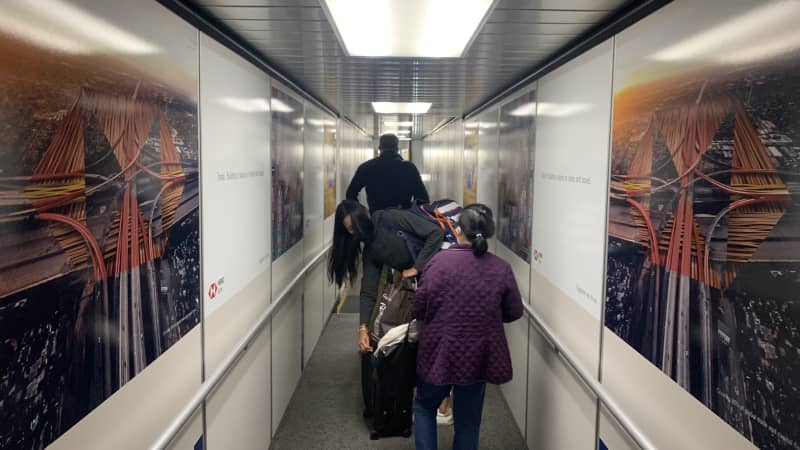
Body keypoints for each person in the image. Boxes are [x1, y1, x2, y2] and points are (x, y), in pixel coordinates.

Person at [412, 204, 523, 450]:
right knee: (468, 422)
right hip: (477, 356)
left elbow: (419, 307)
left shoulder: (438, 262)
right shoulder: (501, 268)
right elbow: (514, 311)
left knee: (424, 407)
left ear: (459, 229)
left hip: (438, 352)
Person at [327, 200, 443, 418]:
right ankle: (418, 399)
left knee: (437, 340)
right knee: (418, 341)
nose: (355, 233)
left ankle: (444, 404)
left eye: (356, 226)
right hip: (417, 289)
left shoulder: (391, 218)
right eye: (349, 230)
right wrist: (362, 327)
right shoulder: (370, 249)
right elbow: (368, 291)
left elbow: (435, 234)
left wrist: (416, 267)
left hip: (438, 277)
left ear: (364, 217)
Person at [346, 133, 429, 213]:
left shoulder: (367, 167)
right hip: (403, 219)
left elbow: (351, 193)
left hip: (377, 219)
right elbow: (422, 198)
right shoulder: (409, 168)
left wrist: (361, 214)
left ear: (379, 148)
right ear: (397, 149)